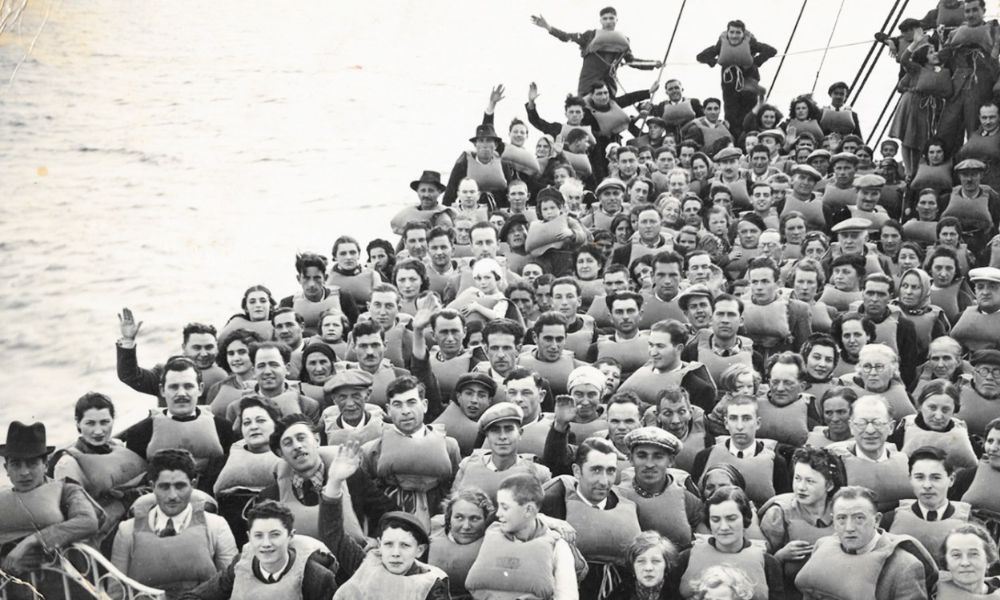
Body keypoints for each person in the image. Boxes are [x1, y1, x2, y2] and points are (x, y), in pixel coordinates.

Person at [317, 443, 450, 600]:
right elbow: (332, 533)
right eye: (388, 544)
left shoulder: (432, 585)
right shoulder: (365, 564)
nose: (395, 553)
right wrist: (334, 481)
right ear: (379, 545)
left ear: (419, 550)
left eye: (405, 545)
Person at [112, 449, 238, 599]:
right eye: (164, 487)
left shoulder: (216, 525)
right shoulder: (127, 530)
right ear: (153, 487)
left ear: (193, 484)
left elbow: (232, 585)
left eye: (180, 486)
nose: (172, 496)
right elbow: (116, 591)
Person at [0, 420, 101, 598]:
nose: (24, 472)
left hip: (68, 589)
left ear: (46, 464)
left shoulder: (67, 491)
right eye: (16, 464)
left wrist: (32, 540)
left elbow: (87, 521)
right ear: (6, 468)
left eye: (32, 463)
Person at [540, 437, 642, 600]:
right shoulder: (552, 502)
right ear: (577, 471)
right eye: (596, 470)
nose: (604, 481)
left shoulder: (627, 504)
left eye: (610, 471)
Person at [794, 486, 938, 600]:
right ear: (833, 521)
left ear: (876, 520)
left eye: (859, 518)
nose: (849, 528)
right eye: (842, 518)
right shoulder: (822, 547)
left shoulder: (905, 566)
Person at [118, 356, 236, 493]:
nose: (181, 393)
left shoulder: (223, 428)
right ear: (162, 390)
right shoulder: (140, 432)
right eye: (174, 387)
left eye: (188, 386)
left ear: (200, 389)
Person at [179, 499, 337, 600]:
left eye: (275, 535)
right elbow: (197, 596)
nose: (266, 543)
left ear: (290, 536)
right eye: (258, 536)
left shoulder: (317, 578)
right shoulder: (241, 565)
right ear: (249, 537)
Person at [253, 414, 376, 541]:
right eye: (288, 443)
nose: (297, 446)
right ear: (281, 454)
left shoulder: (352, 477)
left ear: (317, 440)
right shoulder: (270, 497)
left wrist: (375, 543)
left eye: (301, 438)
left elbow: (385, 514)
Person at [362, 375, 461, 531]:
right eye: (398, 405)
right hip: (391, 527)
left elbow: (455, 490)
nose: (405, 411)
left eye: (411, 403)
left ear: (424, 405)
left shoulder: (449, 446)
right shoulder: (372, 450)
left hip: (437, 526)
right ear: (388, 410)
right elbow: (365, 500)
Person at [49, 392, 147, 546]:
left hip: (136, 520)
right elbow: (75, 520)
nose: (98, 431)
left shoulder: (118, 445)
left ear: (113, 421)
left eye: (104, 422)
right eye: (90, 423)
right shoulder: (68, 464)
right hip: (104, 537)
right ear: (78, 423)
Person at [464, 473, 581, 599]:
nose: (498, 513)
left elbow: (567, 596)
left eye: (505, 507)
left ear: (528, 510)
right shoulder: (493, 532)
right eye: (499, 506)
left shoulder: (558, 547)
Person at [758, 447, 844, 600]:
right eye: (797, 478)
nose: (801, 487)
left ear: (829, 485)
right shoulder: (778, 514)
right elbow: (760, 564)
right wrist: (780, 556)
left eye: (810, 481)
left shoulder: (842, 511)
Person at [673, 486, 784, 600]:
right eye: (716, 520)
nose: (723, 527)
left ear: (744, 519)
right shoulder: (686, 558)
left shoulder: (768, 564)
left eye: (731, 518)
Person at [530, 7, 660, 97]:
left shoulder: (624, 41)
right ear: (600, 21)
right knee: (584, 111)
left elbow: (631, 61)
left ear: (616, 20)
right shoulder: (590, 35)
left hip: (608, 85)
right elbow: (567, 37)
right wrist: (548, 27)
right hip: (588, 83)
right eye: (605, 18)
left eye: (611, 18)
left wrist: (654, 63)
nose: (608, 21)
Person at [690, 394, 790, 508]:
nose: (740, 426)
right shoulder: (705, 457)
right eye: (733, 418)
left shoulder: (777, 463)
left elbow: (782, 505)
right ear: (726, 423)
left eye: (746, 418)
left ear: (757, 423)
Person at [613, 427, 703, 551]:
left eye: (658, 457)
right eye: (642, 456)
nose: (649, 464)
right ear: (630, 459)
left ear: (670, 461)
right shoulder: (616, 498)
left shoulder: (689, 501)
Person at [880, 446, 972, 566]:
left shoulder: (969, 521)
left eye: (935, 478)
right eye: (919, 477)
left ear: (951, 479)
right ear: (910, 480)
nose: (927, 485)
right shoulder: (890, 520)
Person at [116, 308, 227, 405]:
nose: (204, 354)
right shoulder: (165, 372)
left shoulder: (229, 371)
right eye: (197, 348)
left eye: (209, 347)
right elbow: (129, 376)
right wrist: (128, 341)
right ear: (184, 347)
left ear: (216, 347)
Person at [213, 395, 283, 547]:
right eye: (247, 423)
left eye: (261, 420)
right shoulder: (221, 462)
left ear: (276, 425)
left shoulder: (289, 459)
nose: (253, 427)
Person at [451, 402, 552, 502]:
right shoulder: (468, 466)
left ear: (520, 433)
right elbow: (452, 507)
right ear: (487, 436)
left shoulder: (539, 473)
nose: (502, 436)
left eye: (509, 429)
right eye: (495, 430)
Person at [831, 395, 914, 512]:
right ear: (851, 427)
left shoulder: (910, 464)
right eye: (861, 423)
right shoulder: (835, 465)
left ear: (891, 427)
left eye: (878, 423)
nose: (870, 430)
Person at [696, 20, 776, 140]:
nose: (734, 35)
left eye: (738, 32)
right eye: (731, 32)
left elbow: (771, 51)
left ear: (743, 34)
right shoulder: (722, 44)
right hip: (729, 87)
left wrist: (755, 62)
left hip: (748, 84)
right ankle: (734, 141)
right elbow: (701, 56)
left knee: (749, 115)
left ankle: (749, 140)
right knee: (731, 117)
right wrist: (714, 62)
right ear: (727, 33)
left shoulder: (750, 43)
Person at [619, 319, 717, 412]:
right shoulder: (639, 374)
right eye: (651, 345)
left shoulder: (700, 389)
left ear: (679, 348)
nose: (653, 353)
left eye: (660, 346)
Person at [889, 379, 978, 471]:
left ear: (954, 410)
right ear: (920, 406)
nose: (938, 416)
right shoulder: (906, 427)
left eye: (945, 410)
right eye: (932, 408)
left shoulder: (961, 431)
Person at [278, 252, 359, 336]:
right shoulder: (288, 304)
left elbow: (356, 331)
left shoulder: (343, 298)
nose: (311, 284)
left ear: (325, 278)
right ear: (298, 279)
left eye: (317, 278)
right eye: (306, 278)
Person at [342, 318, 411, 408]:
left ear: (385, 346)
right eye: (363, 346)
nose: (370, 352)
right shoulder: (342, 378)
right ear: (354, 348)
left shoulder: (401, 376)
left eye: (375, 345)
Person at [607, 531, 679, 600]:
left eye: (656, 561)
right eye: (641, 561)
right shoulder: (619, 595)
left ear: (666, 565)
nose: (648, 568)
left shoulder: (675, 595)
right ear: (633, 566)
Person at [208, 328, 263, 418]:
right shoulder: (216, 388)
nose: (236, 358)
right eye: (231, 353)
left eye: (242, 352)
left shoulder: (265, 384)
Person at [938, 523, 1000, 598]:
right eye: (956, 555)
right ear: (946, 562)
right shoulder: (933, 593)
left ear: (988, 560)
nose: (965, 563)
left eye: (974, 554)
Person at [951, 266, 1000, 352]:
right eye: (980, 287)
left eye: (992, 287)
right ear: (975, 291)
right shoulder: (960, 317)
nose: (985, 292)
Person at [956, 349, 1000, 436]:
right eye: (984, 371)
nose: (989, 377)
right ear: (974, 374)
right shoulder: (956, 390)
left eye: (997, 372)